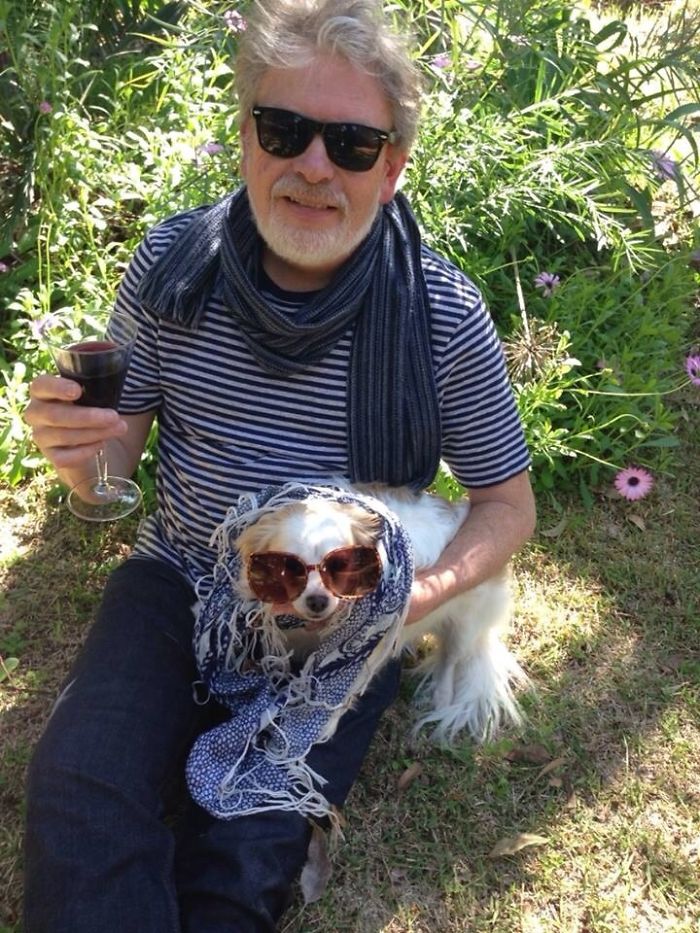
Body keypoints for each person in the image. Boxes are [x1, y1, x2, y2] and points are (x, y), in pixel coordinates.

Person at [22, 0, 536, 930]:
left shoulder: (443, 318)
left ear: (392, 169)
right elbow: (119, 452)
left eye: (349, 143)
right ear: (246, 139)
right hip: (180, 574)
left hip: (339, 614)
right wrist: (80, 456)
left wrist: (405, 599)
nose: (311, 165)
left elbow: (506, 504)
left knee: (243, 851)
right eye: (284, 127)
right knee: (80, 785)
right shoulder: (174, 263)